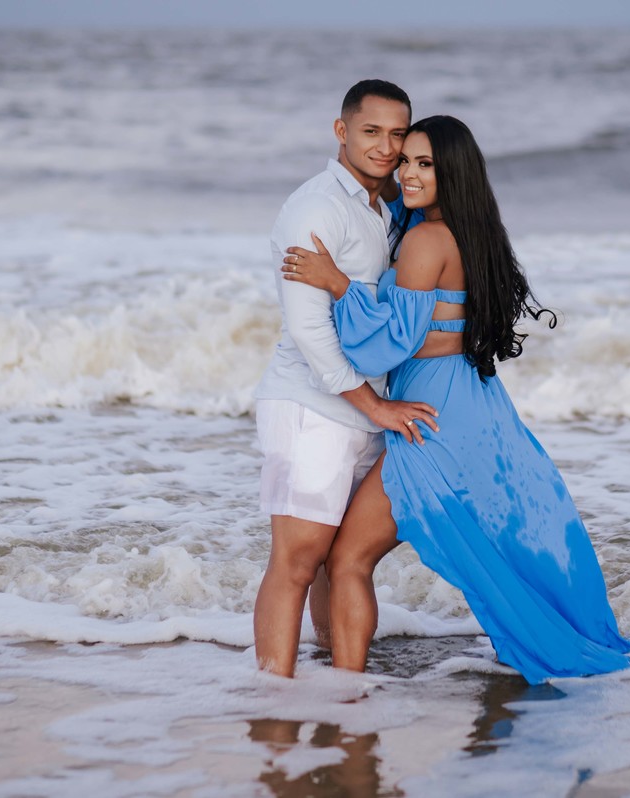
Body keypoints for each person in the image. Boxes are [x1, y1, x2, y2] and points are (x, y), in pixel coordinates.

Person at [281, 115, 630, 684]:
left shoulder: (424, 240)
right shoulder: (467, 232)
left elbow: (391, 344)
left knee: (348, 558)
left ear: (452, 172)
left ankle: (347, 691)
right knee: (496, 541)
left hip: (430, 417)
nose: (407, 173)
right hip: (470, 401)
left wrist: (336, 284)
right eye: (404, 161)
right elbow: (440, 327)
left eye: (424, 164)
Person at [251, 80, 440, 678]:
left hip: (364, 408)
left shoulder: (388, 208)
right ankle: (273, 697)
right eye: (370, 131)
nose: (385, 146)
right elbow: (310, 332)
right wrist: (375, 407)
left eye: (396, 134)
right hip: (312, 405)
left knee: (338, 560)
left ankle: (335, 687)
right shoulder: (316, 209)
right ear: (341, 131)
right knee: (297, 561)